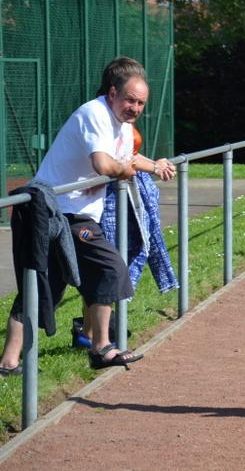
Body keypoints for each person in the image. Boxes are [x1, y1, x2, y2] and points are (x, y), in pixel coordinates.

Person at [0, 57, 175, 375]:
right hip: (60, 213)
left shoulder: (120, 123)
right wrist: (127, 171)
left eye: (141, 103)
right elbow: (105, 166)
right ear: (112, 94)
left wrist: (155, 166)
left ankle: (10, 363)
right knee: (109, 268)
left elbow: (128, 157)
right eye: (130, 100)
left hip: (70, 213)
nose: (135, 108)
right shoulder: (94, 114)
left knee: (46, 290)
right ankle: (100, 347)